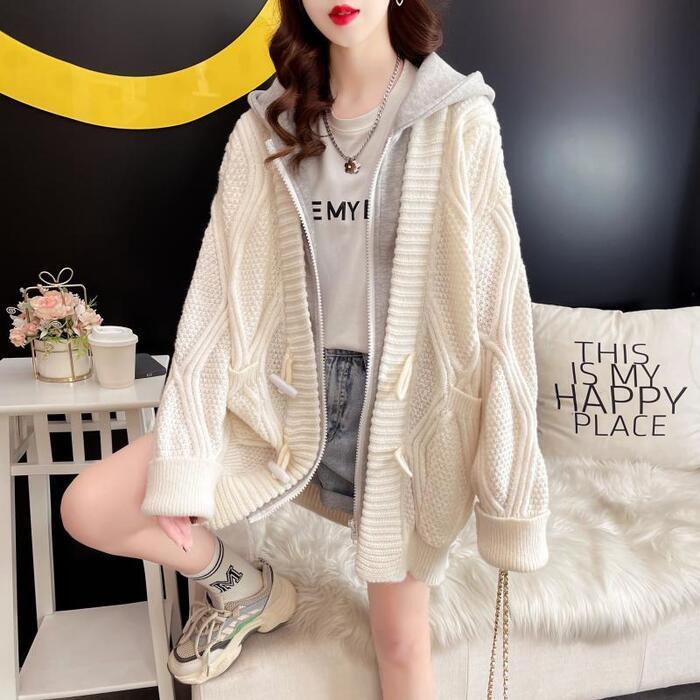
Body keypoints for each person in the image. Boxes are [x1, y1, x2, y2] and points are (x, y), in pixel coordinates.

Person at [60, 0, 551, 697]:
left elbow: (500, 307)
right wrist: (187, 453)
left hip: (401, 424)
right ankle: (248, 590)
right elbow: (216, 297)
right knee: (89, 506)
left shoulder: (458, 119)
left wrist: (510, 492)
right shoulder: (265, 128)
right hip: (281, 403)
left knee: (401, 645)